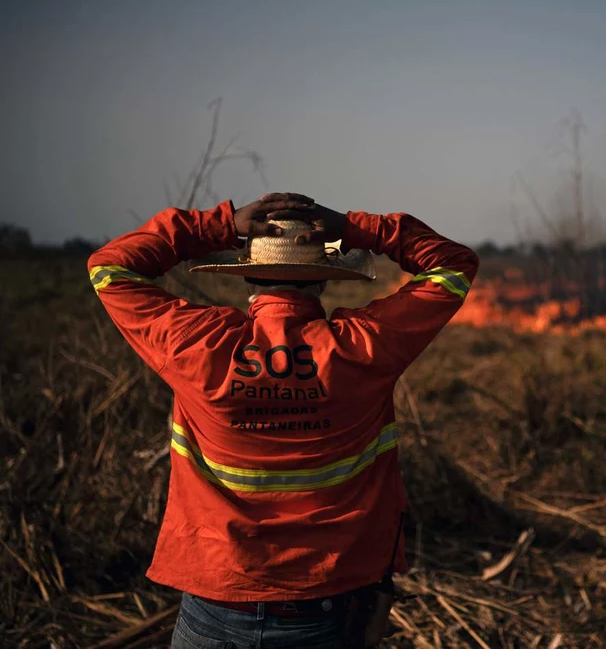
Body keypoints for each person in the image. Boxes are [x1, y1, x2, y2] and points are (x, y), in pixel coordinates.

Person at [87, 193, 478, 648]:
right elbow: (452, 264)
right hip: (326, 607)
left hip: (216, 604)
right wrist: (353, 228)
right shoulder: (365, 347)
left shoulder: (197, 344)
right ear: (323, 281)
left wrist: (220, 224)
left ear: (247, 273)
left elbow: (109, 267)